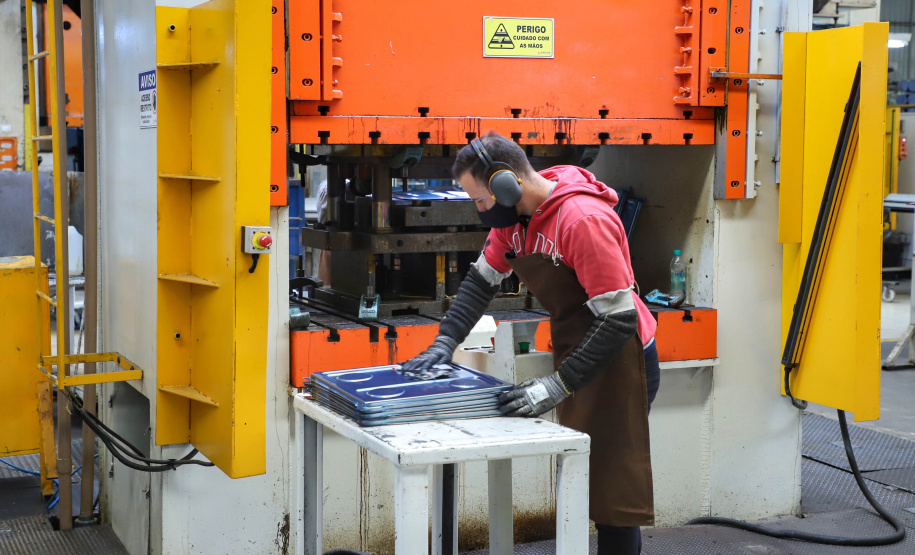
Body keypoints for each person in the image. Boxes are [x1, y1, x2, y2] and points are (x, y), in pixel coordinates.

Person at [400, 133, 660, 555]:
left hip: (622, 359)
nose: (479, 210)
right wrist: (443, 343)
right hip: (579, 355)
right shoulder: (516, 222)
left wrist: (557, 385)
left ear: (506, 185)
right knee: (584, 479)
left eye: (480, 200)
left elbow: (618, 320)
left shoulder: (581, 221)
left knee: (614, 494)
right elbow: (481, 282)